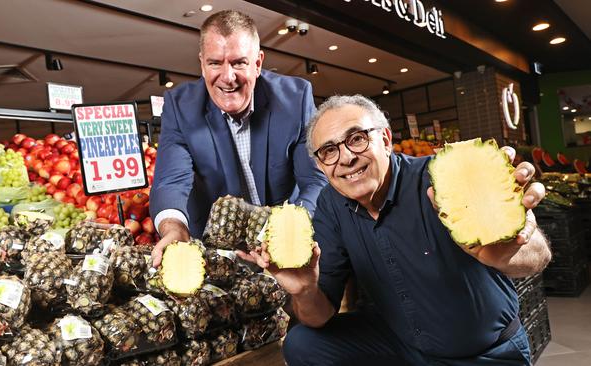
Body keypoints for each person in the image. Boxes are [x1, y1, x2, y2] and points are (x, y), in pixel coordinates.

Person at [237, 95, 551, 365]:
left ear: (386, 140)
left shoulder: (439, 178)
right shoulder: (331, 205)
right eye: (328, 151)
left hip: (486, 352)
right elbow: (321, 315)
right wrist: (305, 290)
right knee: (303, 342)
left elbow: (539, 253)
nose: (346, 158)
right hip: (405, 346)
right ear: (320, 165)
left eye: (357, 138)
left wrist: (507, 252)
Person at [149, 10, 327, 267]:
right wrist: (174, 226)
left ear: (258, 63)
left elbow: (315, 179)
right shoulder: (180, 106)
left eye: (239, 62)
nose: (228, 77)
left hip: (285, 243)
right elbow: (170, 181)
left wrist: (288, 234)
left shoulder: (295, 98)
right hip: (217, 250)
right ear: (202, 64)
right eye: (215, 63)